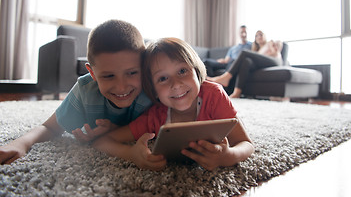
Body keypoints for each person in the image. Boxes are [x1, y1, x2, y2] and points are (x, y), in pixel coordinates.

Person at [0, 19, 152, 165]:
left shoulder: (153, 87)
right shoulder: (86, 90)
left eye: (132, 73)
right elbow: (50, 127)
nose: (121, 87)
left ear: (144, 66)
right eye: (108, 76)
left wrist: (113, 130)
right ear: (92, 74)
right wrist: (21, 143)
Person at [92, 37, 255, 171]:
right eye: (162, 78)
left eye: (182, 71)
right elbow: (103, 141)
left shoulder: (214, 95)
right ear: (153, 90)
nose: (176, 84)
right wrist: (132, 154)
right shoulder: (155, 116)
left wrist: (227, 156)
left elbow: (246, 144)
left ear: (196, 71)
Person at [208, 30, 283, 98]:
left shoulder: (270, 43)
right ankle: (237, 92)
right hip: (262, 63)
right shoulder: (257, 49)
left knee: (244, 52)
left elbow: (278, 48)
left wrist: (273, 47)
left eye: (261, 34)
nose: (259, 37)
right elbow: (258, 58)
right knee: (246, 61)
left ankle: (226, 77)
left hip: (275, 61)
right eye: (256, 36)